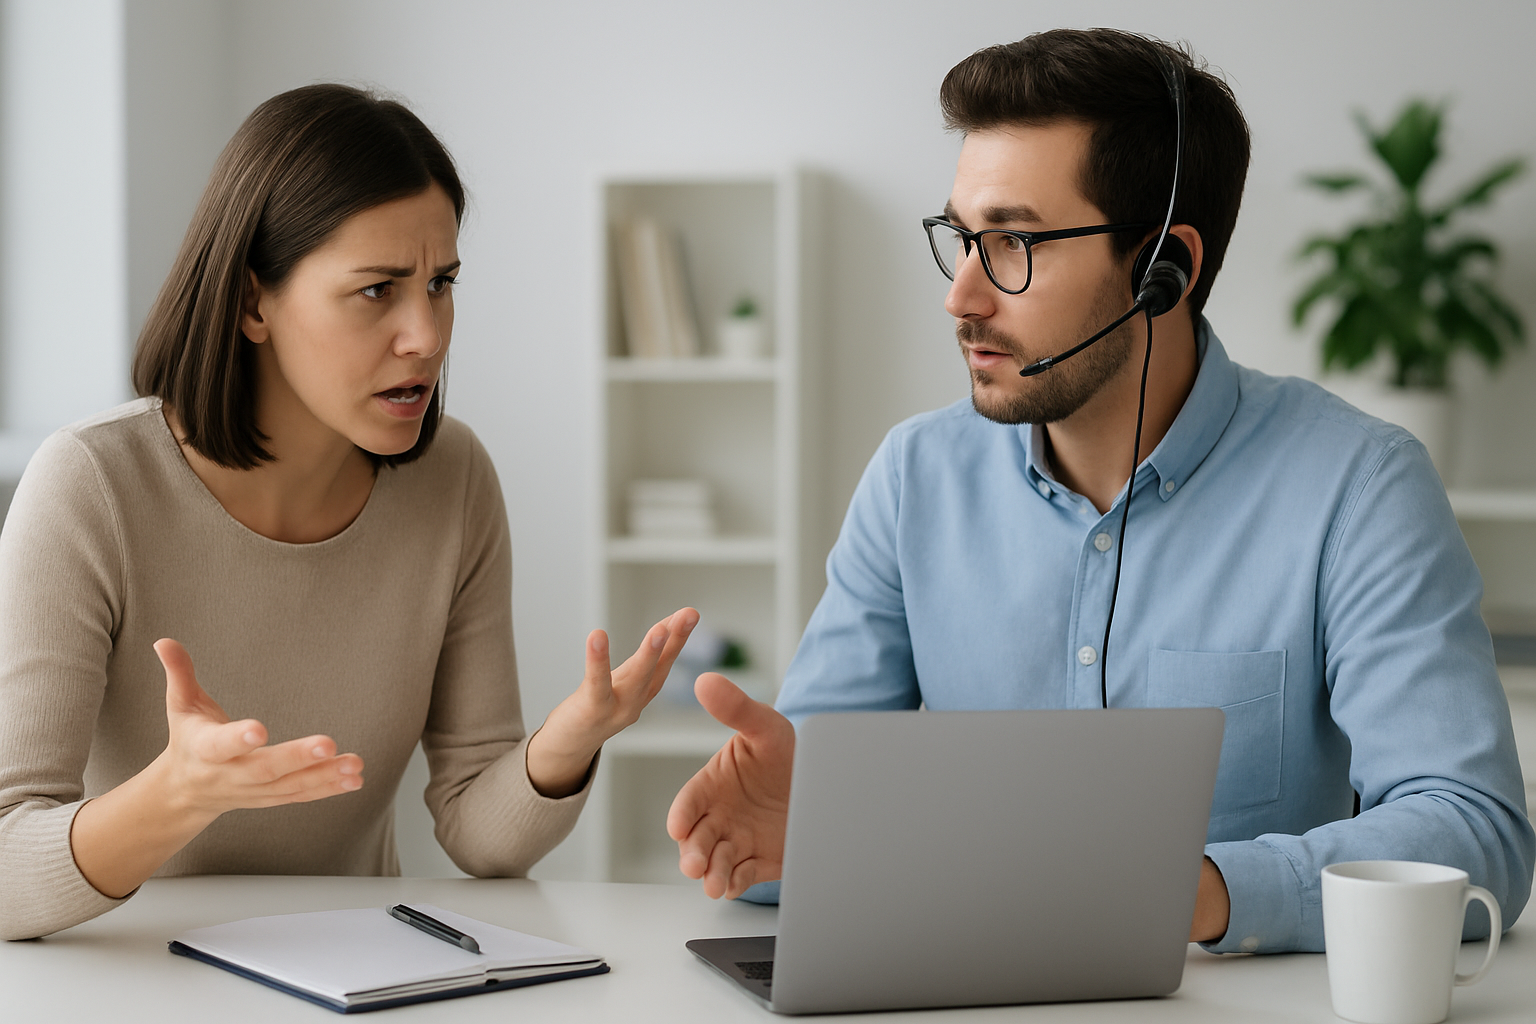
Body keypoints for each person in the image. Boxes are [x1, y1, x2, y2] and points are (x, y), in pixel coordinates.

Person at [666, 28, 1535, 954]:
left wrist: (1191, 890)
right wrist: (794, 838)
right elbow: (794, 816)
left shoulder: (1358, 488)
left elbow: (1473, 829)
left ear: (1167, 270)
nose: (961, 296)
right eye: (962, 238)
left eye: (1013, 243)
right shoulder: (915, 479)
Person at [0, 84, 696, 941]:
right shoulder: (91, 486)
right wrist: (173, 796)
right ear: (254, 302)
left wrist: (568, 743)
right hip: (129, 975)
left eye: (441, 284)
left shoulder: (453, 480)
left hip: (357, 975)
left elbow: (479, 834)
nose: (427, 335)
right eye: (378, 290)